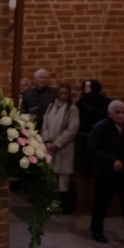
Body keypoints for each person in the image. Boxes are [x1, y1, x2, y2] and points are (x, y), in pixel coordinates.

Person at [87, 101, 124, 248]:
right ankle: (97, 231)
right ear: (110, 113)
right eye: (117, 112)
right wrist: (111, 161)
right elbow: (93, 149)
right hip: (106, 173)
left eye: (123, 112)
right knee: (101, 204)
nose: (121, 115)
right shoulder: (100, 128)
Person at [42, 83, 79, 214]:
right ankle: (52, 204)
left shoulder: (72, 109)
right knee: (50, 176)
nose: (63, 96)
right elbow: (45, 124)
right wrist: (46, 140)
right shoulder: (51, 106)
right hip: (49, 146)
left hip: (64, 147)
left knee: (63, 178)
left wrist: (57, 143)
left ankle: (65, 206)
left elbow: (72, 129)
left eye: (65, 93)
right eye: (61, 93)